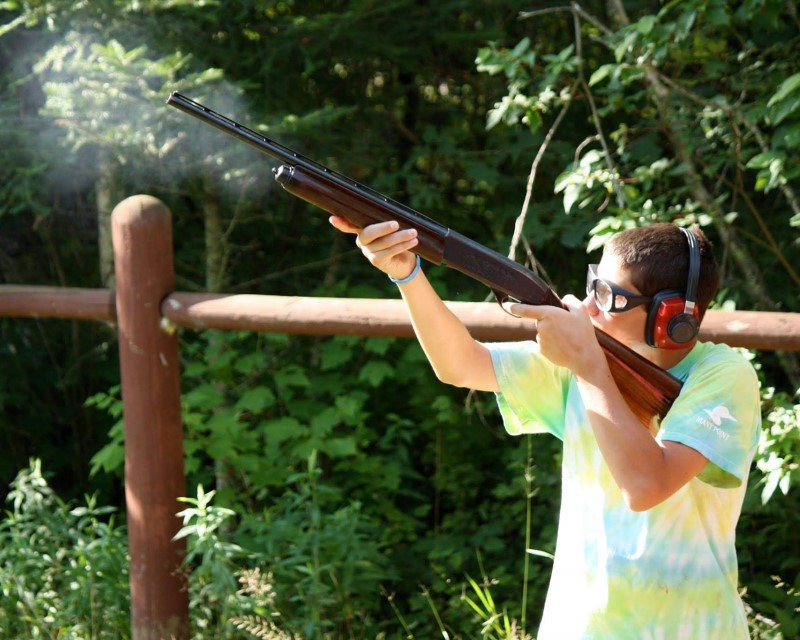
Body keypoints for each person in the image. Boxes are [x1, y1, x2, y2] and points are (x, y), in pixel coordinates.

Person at [328, 215, 761, 639]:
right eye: (596, 285)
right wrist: (407, 274)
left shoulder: (723, 374)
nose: (590, 306)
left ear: (670, 317)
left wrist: (588, 366)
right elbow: (460, 364)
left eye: (611, 297)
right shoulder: (590, 360)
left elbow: (647, 484)